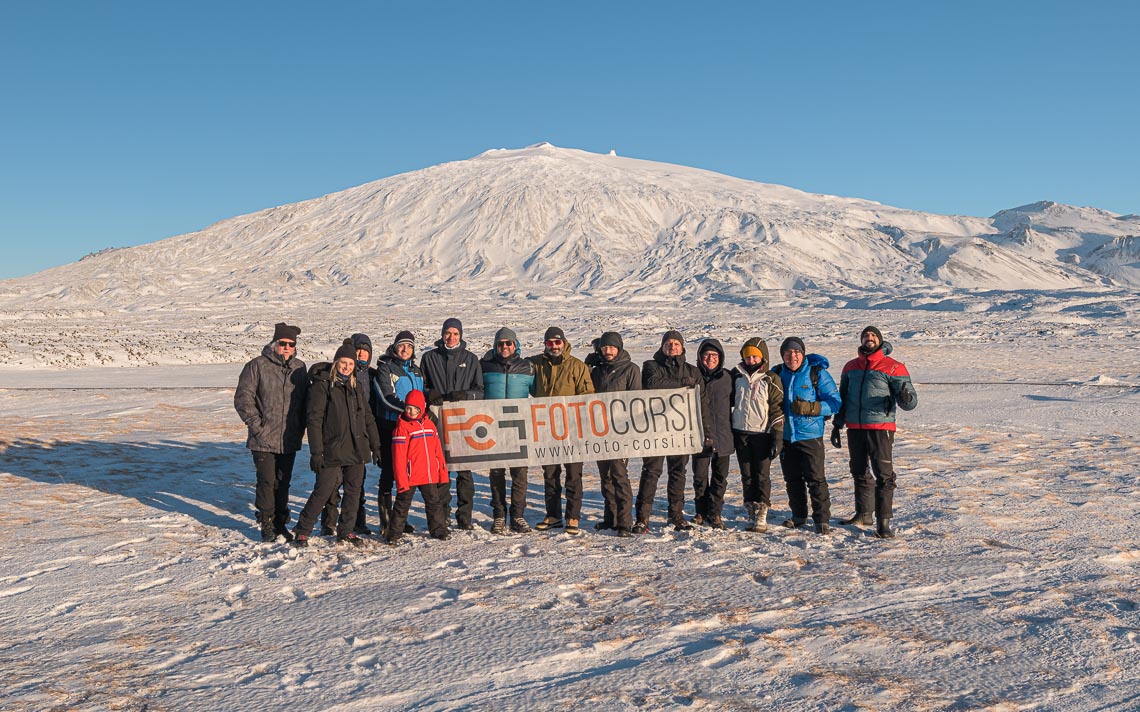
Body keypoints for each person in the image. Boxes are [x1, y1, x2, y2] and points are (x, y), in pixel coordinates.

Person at [292, 340, 383, 547]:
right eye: (343, 363)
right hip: (331, 448)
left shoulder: (356, 387)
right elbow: (313, 421)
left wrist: (376, 446)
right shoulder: (323, 386)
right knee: (323, 491)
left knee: (353, 491)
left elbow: (368, 418)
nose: (347, 367)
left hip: (356, 447)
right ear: (336, 363)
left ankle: (346, 531)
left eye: (350, 364)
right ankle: (303, 529)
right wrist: (316, 452)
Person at [831, 326, 918, 539]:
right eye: (866, 335)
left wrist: (906, 397)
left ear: (879, 340)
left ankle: (883, 522)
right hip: (855, 428)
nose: (869, 338)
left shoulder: (894, 367)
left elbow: (910, 402)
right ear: (861, 340)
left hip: (880, 428)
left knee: (884, 475)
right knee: (859, 471)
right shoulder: (851, 367)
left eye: (873, 336)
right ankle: (863, 514)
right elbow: (843, 397)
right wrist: (837, 423)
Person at [234, 322, 308, 542]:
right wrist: (257, 425)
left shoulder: (300, 368)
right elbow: (243, 398)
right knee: (266, 481)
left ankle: (280, 521)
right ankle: (266, 523)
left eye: (291, 344)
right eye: (283, 343)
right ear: (274, 343)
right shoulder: (257, 365)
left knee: (283, 482)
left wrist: (300, 426)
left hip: (289, 437)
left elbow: (306, 401)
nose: (286, 347)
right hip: (263, 437)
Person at [633, 330, 701, 533]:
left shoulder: (691, 370)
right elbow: (652, 384)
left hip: (681, 431)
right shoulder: (651, 366)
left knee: (678, 473)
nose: (672, 347)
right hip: (655, 430)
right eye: (668, 344)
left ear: (682, 347)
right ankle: (642, 518)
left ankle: (676, 515)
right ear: (662, 347)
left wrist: (703, 430)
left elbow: (701, 400)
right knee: (651, 472)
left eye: (676, 344)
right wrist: (682, 384)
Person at [772, 336, 842, 534]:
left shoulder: (816, 373)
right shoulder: (777, 374)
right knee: (792, 479)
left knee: (816, 479)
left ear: (802, 354)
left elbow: (835, 402)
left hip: (810, 435)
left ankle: (822, 520)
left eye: (796, 352)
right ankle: (799, 515)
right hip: (786, 436)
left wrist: (812, 408)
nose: (792, 356)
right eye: (787, 353)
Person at [421, 318, 485, 531]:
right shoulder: (429, 358)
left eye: (455, 333)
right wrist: (429, 393)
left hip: (463, 421)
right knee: (441, 470)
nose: (451, 337)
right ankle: (443, 515)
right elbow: (421, 386)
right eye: (448, 333)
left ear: (461, 335)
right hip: (437, 421)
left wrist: (465, 395)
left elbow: (480, 391)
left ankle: (465, 516)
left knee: (464, 472)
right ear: (442, 334)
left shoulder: (471, 359)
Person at [530, 326, 595, 535]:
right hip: (547, 429)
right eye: (550, 343)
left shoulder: (577, 366)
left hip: (572, 430)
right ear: (545, 344)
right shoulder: (537, 364)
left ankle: (573, 516)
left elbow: (587, 395)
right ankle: (553, 515)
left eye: (557, 342)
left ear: (564, 343)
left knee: (573, 474)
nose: (554, 346)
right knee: (550, 474)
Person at [480, 327, 536, 534]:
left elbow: (540, 394)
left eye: (508, 343)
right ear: (495, 346)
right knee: (496, 473)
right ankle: (499, 516)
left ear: (515, 345)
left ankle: (518, 516)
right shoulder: (485, 366)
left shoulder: (527, 368)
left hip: (518, 427)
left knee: (520, 473)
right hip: (492, 427)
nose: (504, 347)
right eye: (500, 343)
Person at [585, 331, 640, 537]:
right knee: (605, 477)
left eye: (612, 347)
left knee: (619, 476)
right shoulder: (597, 371)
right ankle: (611, 518)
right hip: (600, 431)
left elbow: (636, 401)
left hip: (620, 432)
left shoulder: (630, 369)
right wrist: (588, 365)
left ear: (619, 348)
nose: (608, 351)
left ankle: (625, 522)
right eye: (604, 348)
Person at [321, 332, 375, 536]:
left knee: (356, 485)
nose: (361, 354)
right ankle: (329, 523)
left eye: (365, 351)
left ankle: (355, 522)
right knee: (333, 484)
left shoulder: (372, 375)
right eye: (358, 350)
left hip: (360, 437)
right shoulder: (339, 375)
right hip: (339, 436)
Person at [730, 338, 785, 532]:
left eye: (755, 356)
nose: (751, 360)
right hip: (741, 432)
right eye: (748, 356)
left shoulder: (770, 378)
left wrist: (777, 435)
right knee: (747, 475)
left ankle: (762, 511)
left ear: (762, 357)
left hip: (762, 434)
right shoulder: (736, 375)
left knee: (762, 475)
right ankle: (750, 508)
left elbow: (778, 408)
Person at [372, 331, 425, 534]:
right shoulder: (385, 369)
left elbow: (420, 396)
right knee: (389, 474)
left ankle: (399, 519)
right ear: (395, 347)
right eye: (402, 345)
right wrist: (410, 411)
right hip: (391, 428)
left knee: (407, 475)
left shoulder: (417, 371)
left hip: (412, 430)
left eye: (409, 346)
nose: (405, 349)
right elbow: (386, 398)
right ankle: (386, 522)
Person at [385, 389, 451, 544]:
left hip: (428, 474)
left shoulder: (430, 425)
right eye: (408, 408)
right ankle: (394, 535)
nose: (412, 411)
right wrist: (402, 481)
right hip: (410, 476)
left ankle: (438, 530)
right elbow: (398, 457)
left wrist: (442, 472)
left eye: (415, 408)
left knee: (434, 503)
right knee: (402, 505)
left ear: (422, 407)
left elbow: (437, 451)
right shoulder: (402, 428)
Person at [692, 339, 733, 529]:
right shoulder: (692, 376)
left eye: (714, 356)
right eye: (706, 355)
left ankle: (714, 513)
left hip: (723, 435)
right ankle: (700, 511)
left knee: (719, 478)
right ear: (700, 357)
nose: (710, 359)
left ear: (721, 358)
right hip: (699, 436)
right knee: (700, 477)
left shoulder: (727, 377)